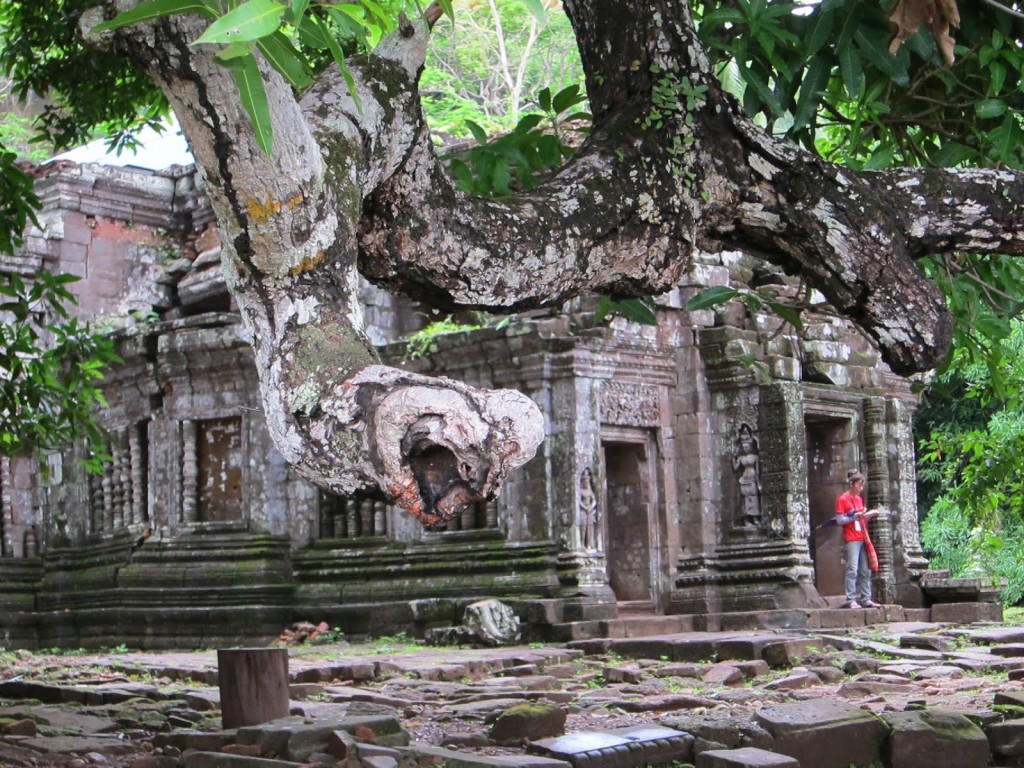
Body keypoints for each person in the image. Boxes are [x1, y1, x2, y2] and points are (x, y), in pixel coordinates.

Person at [835, 470, 880, 609]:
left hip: (862, 536)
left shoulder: (859, 499)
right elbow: (839, 520)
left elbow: (861, 519)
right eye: (859, 485)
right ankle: (851, 599)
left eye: (862, 485)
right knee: (852, 569)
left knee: (864, 570)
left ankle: (866, 598)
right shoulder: (843, 499)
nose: (861, 489)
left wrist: (868, 515)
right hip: (851, 538)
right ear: (851, 484)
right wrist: (856, 516)